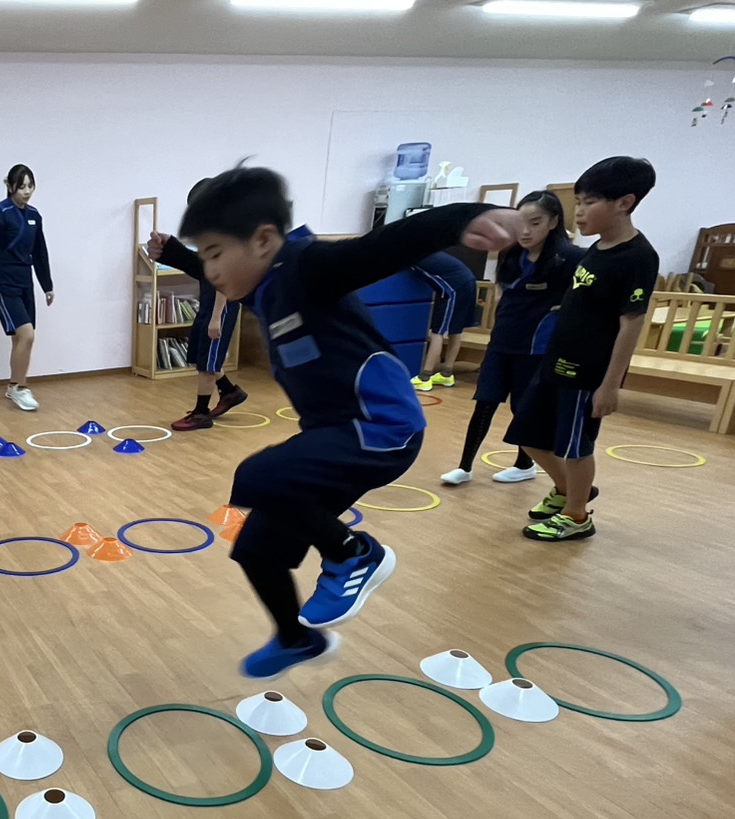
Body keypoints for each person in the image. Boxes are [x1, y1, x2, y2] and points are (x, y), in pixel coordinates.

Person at [177, 166, 521, 679]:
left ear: (264, 240)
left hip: (381, 426)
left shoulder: (310, 267)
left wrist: (465, 216)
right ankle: (296, 639)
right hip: (337, 433)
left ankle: (354, 553)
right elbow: (225, 274)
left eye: (214, 254)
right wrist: (173, 254)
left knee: (258, 475)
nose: (210, 270)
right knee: (256, 548)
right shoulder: (267, 285)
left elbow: (385, 245)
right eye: (203, 256)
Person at [507, 156, 659, 542]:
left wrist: (610, 386)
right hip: (555, 361)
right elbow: (593, 299)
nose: (578, 211)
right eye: (578, 201)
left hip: (587, 372)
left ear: (624, 202)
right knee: (527, 433)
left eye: (589, 202)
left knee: (575, 447)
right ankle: (568, 491)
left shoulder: (637, 256)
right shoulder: (596, 248)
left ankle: (577, 516)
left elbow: (631, 323)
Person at [441, 191, 583, 487]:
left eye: (535, 223)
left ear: (553, 222)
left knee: (523, 407)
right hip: (502, 342)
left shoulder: (570, 258)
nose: (526, 231)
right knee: (485, 401)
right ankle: (464, 467)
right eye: (521, 222)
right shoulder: (511, 254)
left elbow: (588, 293)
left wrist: (570, 308)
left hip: (537, 347)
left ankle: (524, 464)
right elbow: (502, 290)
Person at [146, 178, 251, 431]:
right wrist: (171, 249)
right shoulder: (214, 233)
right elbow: (203, 268)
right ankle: (229, 392)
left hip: (220, 305)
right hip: (209, 301)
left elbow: (225, 276)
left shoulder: (230, 234)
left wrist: (216, 317)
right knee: (199, 354)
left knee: (208, 363)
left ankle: (201, 413)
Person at [0, 164, 53, 411]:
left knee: (19, 339)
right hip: (5, 285)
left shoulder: (34, 215)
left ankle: (13, 385)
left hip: (25, 283)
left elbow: (40, 252)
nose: (27, 191)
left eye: (30, 186)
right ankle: (20, 387)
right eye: (22, 186)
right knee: (27, 335)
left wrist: (47, 285)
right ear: (10, 186)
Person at [410, 250, 479, 391]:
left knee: (438, 331)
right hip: (469, 281)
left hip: (454, 287)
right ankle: (446, 374)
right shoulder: (428, 251)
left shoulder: (413, 255)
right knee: (455, 330)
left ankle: (424, 378)